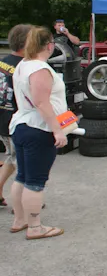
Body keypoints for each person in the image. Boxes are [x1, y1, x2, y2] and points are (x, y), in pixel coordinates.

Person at [9, 26, 68, 240]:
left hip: (21, 125)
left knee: (22, 177)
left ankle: (20, 220)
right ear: (49, 45)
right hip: (38, 129)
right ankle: (35, 226)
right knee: (35, 182)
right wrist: (57, 131)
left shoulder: (23, 64)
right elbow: (41, 102)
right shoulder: (40, 69)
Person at [0, 25, 31, 207]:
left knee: (12, 158)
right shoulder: (23, 67)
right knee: (24, 165)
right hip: (16, 122)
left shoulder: (3, 62)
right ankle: (22, 203)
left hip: (3, 119)